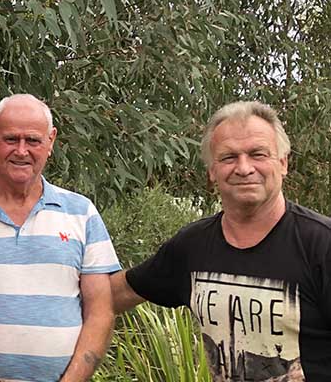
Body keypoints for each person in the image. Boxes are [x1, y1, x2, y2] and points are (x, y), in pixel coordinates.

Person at [111, 101, 331, 381]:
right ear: (212, 171)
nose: (244, 168)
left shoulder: (321, 244)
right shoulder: (192, 246)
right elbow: (114, 294)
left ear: (283, 163)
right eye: (228, 157)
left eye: (258, 154)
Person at [0, 94, 120, 382]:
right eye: (11, 139)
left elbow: (101, 312)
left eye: (33, 140)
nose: (21, 151)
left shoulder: (82, 213)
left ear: (51, 141)